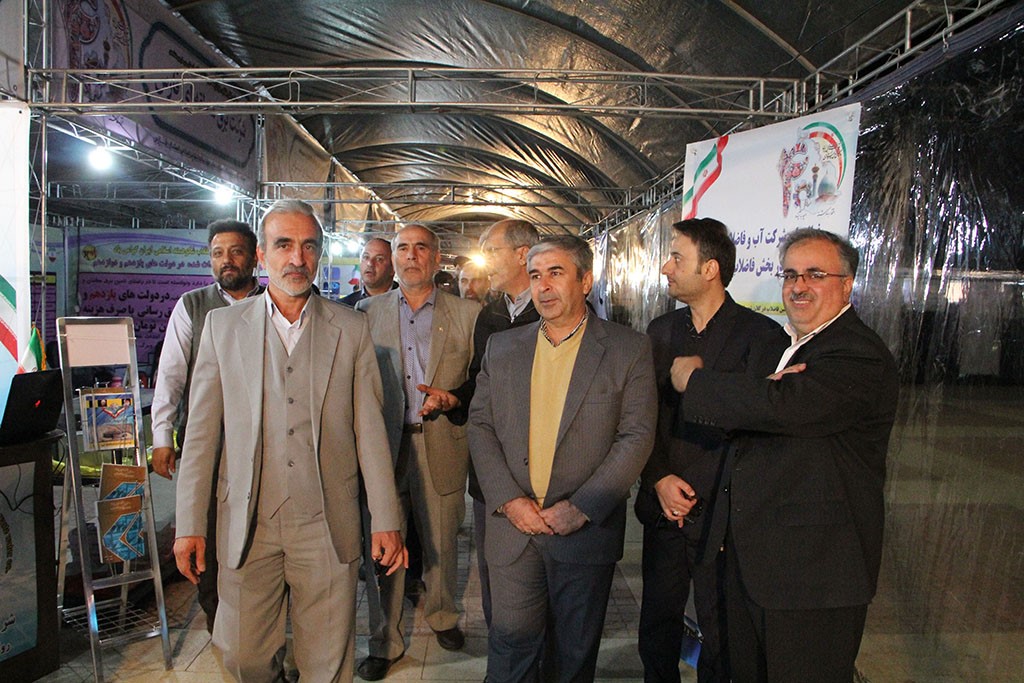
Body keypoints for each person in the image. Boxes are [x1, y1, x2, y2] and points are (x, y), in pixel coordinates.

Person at [172, 199, 406, 682]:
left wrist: (386, 518)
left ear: (319, 254)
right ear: (262, 255)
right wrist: (189, 524)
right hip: (247, 523)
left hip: (326, 522)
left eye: (308, 246)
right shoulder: (222, 327)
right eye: (283, 245)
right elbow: (200, 435)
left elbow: (370, 431)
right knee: (242, 655)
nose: (297, 258)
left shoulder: (351, 328)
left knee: (327, 661)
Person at [672, 228, 899, 682]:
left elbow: (781, 407)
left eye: (815, 274)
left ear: (847, 284)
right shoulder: (793, 347)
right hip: (764, 568)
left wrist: (693, 380)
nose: (799, 286)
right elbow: (764, 409)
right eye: (791, 275)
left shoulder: (858, 353)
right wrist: (764, 394)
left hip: (814, 578)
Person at [468, 235, 657, 683]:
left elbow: (635, 436)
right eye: (536, 275)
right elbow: (480, 426)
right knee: (510, 650)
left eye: (556, 273)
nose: (544, 286)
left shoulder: (628, 349)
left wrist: (581, 508)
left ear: (585, 281)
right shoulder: (503, 347)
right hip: (514, 529)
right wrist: (509, 500)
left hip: (582, 531)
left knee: (572, 656)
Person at [636, 218, 784, 682]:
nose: (665, 268)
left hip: (724, 517)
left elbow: (760, 429)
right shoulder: (660, 332)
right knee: (657, 627)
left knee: (723, 637)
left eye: (676, 258)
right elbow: (642, 419)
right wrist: (658, 478)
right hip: (665, 508)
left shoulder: (763, 338)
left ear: (710, 269)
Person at [355, 224, 480, 680]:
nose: (411, 256)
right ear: (394, 258)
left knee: (442, 539)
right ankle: (384, 640)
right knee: (383, 546)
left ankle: (443, 616)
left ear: (436, 256)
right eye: (402, 248)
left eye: (420, 247)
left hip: (440, 442)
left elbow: (480, 381)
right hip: (383, 448)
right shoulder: (365, 313)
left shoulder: (468, 314)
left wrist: (455, 399)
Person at [422, 218, 541, 631]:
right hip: (493, 468)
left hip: (543, 468)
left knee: (538, 578)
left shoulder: (554, 311)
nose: (486, 260)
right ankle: (503, 645)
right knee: (495, 570)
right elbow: (480, 381)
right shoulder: (491, 314)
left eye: (492, 250)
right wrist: (455, 398)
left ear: (522, 255)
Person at [150, 219, 264, 632]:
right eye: (217, 253)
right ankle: (219, 622)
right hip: (209, 445)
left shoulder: (275, 303)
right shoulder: (193, 306)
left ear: (255, 257)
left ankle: (262, 625)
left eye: (235, 252)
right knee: (208, 534)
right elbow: (171, 375)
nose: (226, 261)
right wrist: (162, 436)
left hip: (264, 442)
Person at [340, 237, 397, 306]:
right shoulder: (342, 306)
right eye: (366, 257)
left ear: (393, 268)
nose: (370, 263)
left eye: (379, 259)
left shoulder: (406, 302)